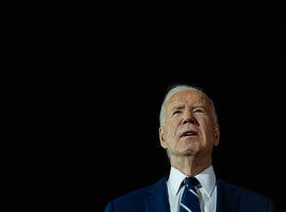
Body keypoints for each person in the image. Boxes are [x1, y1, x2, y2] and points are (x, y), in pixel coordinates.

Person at [104, 83, 277, 212]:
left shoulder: (259, 207)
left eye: (199, 110)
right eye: (177, 111)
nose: (188, 117)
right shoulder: (120, 208)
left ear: (216, 134)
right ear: (162, 137)